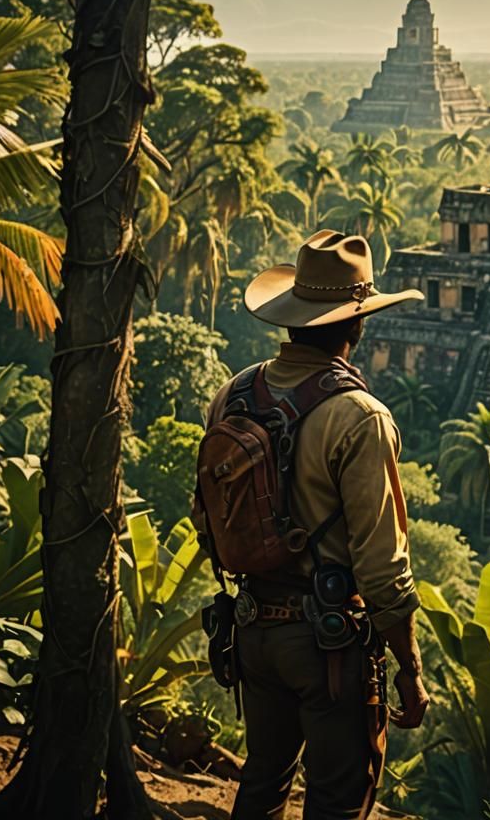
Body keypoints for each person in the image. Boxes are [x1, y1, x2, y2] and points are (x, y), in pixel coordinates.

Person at [200, 229, 429, 820]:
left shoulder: (233, 395)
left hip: (252, 629)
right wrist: (410, 667)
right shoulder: (360, 419)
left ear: (294, 316)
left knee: (262, 785)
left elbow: (208, 511)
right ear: (357, 324)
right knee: (336, 800)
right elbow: (382, 568)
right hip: (327, 644)